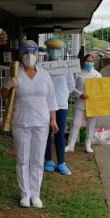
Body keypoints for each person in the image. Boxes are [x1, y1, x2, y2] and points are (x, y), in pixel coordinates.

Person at [0, 40, 59, 208]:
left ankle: (35, 194)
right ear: (21, 54)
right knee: (23, 159)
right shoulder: (14, 72)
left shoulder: (45, 74)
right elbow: (3, 95)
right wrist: (8, 85)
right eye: (26, 52)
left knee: (38, 160)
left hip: (42, 122)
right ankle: (25, 194)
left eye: (33, 52)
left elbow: (51, 99)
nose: (30, 56)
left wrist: (53, 120)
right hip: (21, 122)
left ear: (37, 54)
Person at [43, 37, 75, 175]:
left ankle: (62, 162)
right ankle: (48, 160)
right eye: (51, 48)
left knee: (60, 134)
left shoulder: (66, 66)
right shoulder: (41, 66)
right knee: (46, 133)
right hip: (44, 105)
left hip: (61, 104)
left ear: (61, 51)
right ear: (47, 50)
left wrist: (61, 95)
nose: (54, 51)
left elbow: (71, 85)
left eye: (57, 49)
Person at [65, 54, 102, 153]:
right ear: (84, 61)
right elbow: (72, 87)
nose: (89, 63)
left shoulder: (98, 75)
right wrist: (80, 94)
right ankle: (70, 145)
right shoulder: (78, 73)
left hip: (93, 104)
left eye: (91, 61)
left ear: (94, 62)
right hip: (80, 103)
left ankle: (88, 145)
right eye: (87, 61)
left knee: (91, 125)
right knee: (76, 124)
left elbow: (102, 90)